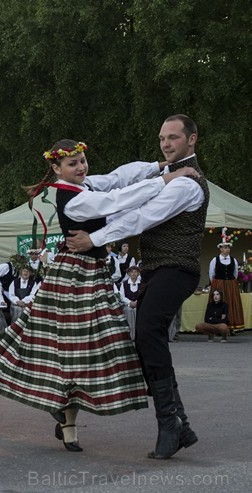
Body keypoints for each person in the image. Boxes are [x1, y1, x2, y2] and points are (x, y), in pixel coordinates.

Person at [0, 139, 198, 452]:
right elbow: (115, 200)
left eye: (82, 160)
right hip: (73, 275)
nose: (80, 167)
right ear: (56, 169)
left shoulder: (84, 184)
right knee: (71, 346)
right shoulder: (73, 199)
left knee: (78, 349)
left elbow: (118, 178)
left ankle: (67, 418)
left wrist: (157, 166)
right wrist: (164, 179)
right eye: (72, 164)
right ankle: (65, 415)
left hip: (93, 273)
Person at [65, 114, 208, 460]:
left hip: (178, 269)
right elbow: (121, 183)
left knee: (147, 333)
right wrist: (73, 180)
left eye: (173, 137)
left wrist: (95, 237)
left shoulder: (187, 183)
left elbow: (143, 215)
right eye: (162, 138)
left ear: (192, 140)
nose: (166, 143)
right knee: (145, 340)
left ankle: (170, 425)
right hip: (157, 270)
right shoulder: (167, 175)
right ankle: (180, 423)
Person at [208, 235, 243, 332]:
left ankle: (231, 327)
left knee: (231, 304)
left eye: (228, 248)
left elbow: (235, 274)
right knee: (219, 303)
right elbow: (212, 274)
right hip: (219, 283)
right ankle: (218, 326)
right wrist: (216, 284)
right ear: (220, 249)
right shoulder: (215, 260)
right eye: (225, 248)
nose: (227, 250)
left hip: (231, 284)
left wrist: (231, 283)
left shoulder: (233, 260)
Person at [119, 265, 142, 340]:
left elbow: (143, 295)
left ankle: (138, 336)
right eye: (132, 272)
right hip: (128, 305)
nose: (134, 274)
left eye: (136, 272)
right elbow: (121, 296)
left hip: (139, 305)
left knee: (137, 312)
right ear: (128, 274)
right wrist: (129, 302)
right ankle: (130, 336)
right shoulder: (124, 284)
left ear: (138, 273)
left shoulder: (142, 284)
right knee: (129, 311)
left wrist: (136, 302)